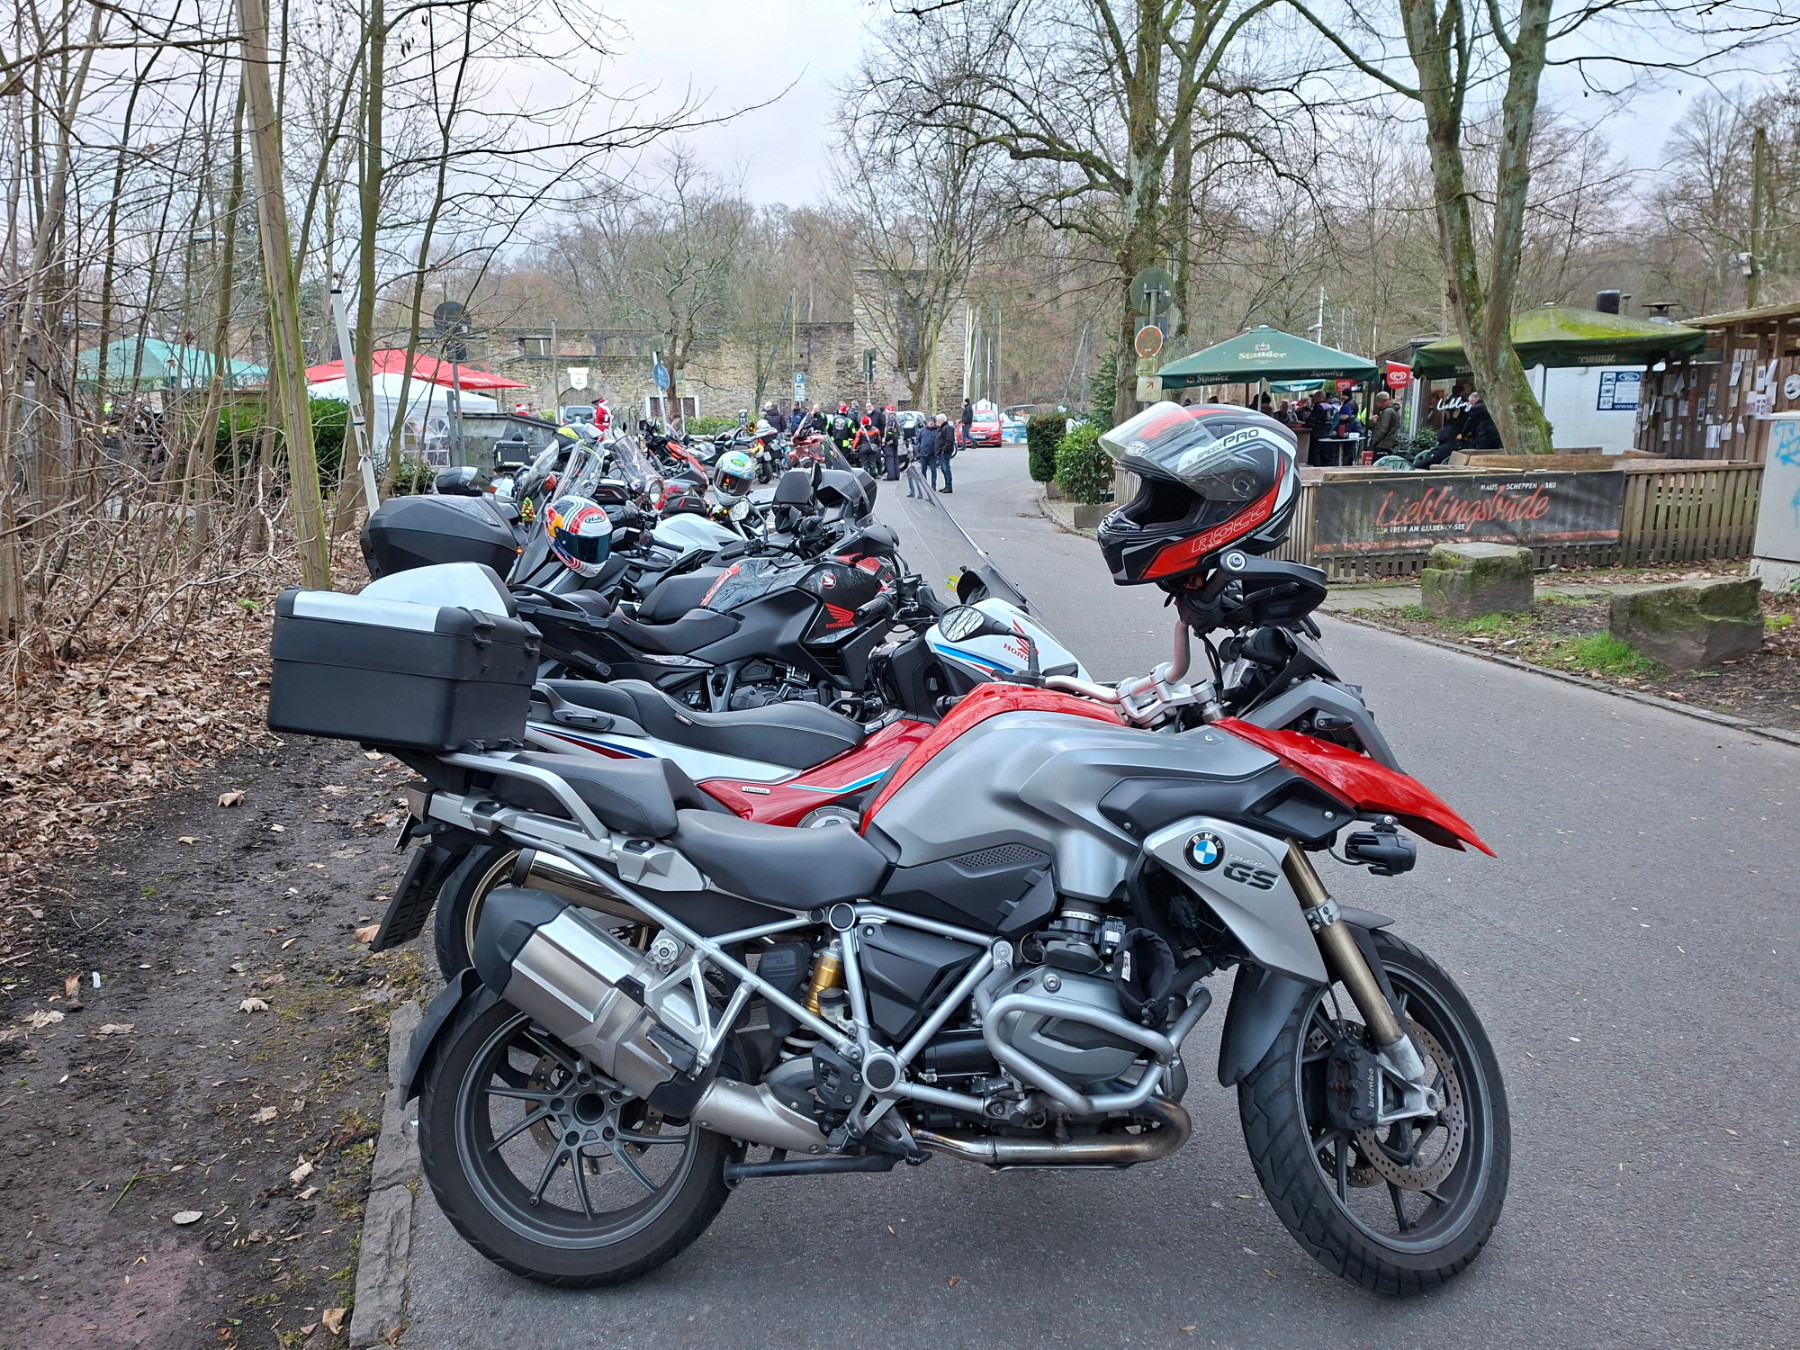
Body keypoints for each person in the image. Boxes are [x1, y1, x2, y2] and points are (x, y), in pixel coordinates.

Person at [1367, 390, 1402, 458]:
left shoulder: (1387, 411)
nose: (1376, 404)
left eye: (1376, 402)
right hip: (1388, 444)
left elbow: (1382, 428)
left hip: (1382, 444)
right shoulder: (1393, 410)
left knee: (1377, 463)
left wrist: (1373, 442)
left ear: (1380, 401)